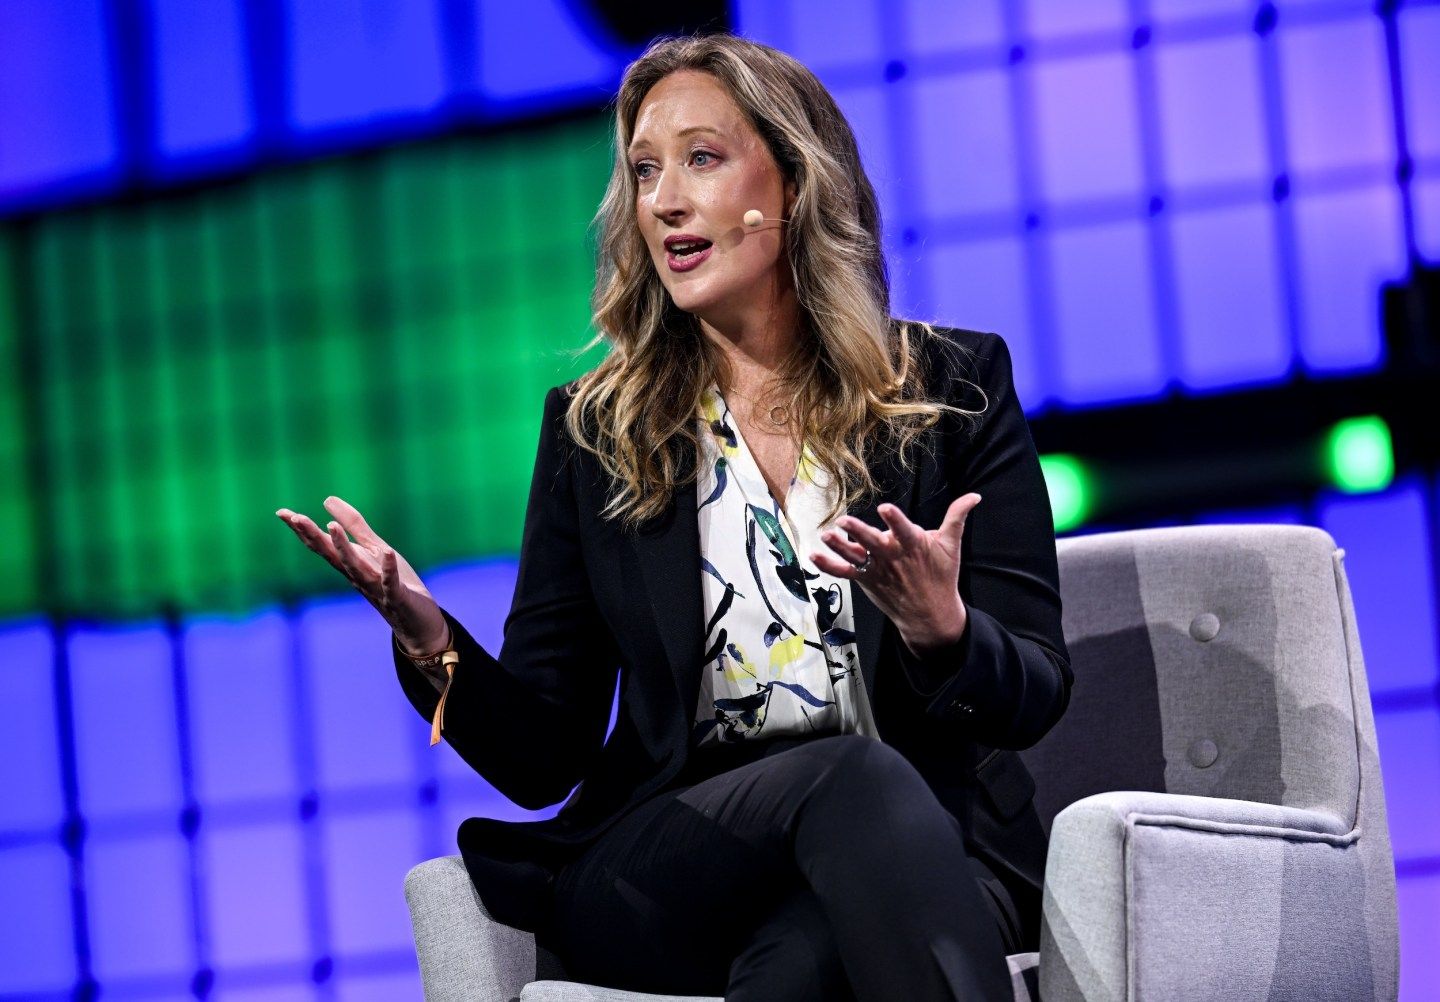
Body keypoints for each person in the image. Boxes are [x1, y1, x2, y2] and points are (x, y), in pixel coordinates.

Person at [277, 32, 1070, 1001]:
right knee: (851, 779)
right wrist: (427, 635)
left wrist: (941, 629)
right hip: (677, 859)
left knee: (800, 968)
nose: (663, 199)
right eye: (644, 171)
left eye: (701, 158)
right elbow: (544, 754)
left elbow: (1032, 696)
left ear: (792, 180)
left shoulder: (950, 388)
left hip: (921, 853)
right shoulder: (596, 429)